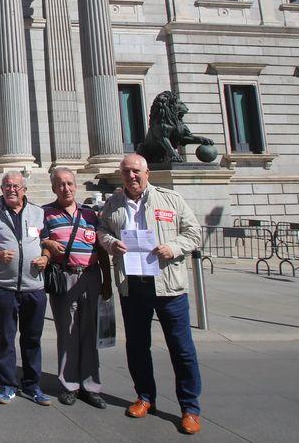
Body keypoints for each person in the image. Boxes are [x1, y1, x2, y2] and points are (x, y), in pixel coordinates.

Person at [97, 153, 204, 435]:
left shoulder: (171, 200)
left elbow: (194, 233)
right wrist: (111, 244)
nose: (131, 176)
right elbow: (102, 230)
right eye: (126, 172)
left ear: (147, 173)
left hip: (168, 284)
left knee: (181, 348)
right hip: (133, 284)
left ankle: (189, 408)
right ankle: (145, 397)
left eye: (135, 171)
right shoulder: (114, 204)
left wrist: (174, 247)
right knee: (137, 345)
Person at [41, 167, 111, 408]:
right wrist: (46, 241)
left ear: (76, 186)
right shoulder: (46, 214)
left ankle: (91, 386)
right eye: (60, 184)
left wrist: (107, 282)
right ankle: (70, 384)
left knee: (90, 332)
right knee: (67, 331)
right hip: (64, 277)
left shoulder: (90, 215)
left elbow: (101, 250)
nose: (66, 188)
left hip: (90, 278)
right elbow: (36, 239)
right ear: (53, 188)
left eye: (69, 183)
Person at [0, 171, 51, 406]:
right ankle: (7, 384)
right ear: (1, 188)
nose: (11, 189)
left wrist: (45, 256)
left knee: (32, 339)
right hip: (4, 285)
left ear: (24, 189)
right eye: (7, 186)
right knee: (6, 338)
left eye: (16, 186)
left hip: (34, 286)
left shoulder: (38, 212)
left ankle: (33, 385)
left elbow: (47, 242)